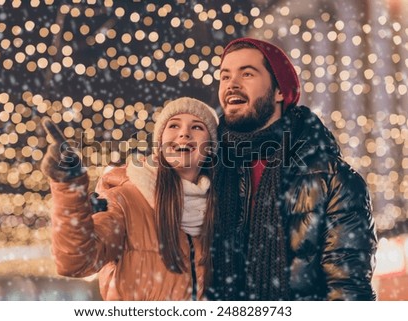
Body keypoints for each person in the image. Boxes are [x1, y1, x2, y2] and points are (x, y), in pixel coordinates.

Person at [208, 37, 377, 301]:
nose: (232, 84)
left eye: (247, 73)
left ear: (279, 91)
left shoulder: (333, 179)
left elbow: (348, 292)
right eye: (224, 76)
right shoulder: (206, 169)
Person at [40, 97, 219, 300]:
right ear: (159, 143)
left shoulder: (217, 208)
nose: (184, 132)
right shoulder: (124, 200)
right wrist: (69, 188)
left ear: (211, 147)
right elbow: (76, 261)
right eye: (174, 125)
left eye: (197, 127)